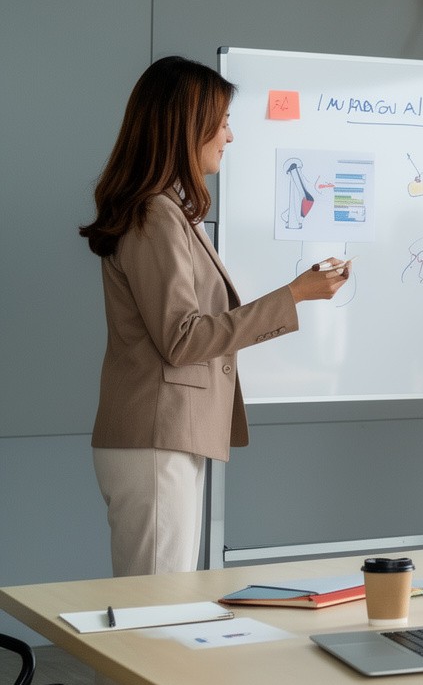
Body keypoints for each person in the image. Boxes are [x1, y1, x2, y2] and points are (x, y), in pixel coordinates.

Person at [79, 55, 351, 581]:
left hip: (162, 436)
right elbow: (182, 340)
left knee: (154, 609)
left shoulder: (164, 211)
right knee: (153, 613)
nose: (231, 136)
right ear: (188, 126)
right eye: (223, 121)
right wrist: (293, 295)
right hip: (157, 437)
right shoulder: (156, 214)